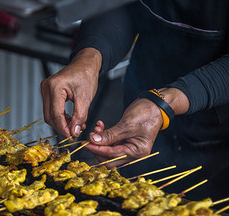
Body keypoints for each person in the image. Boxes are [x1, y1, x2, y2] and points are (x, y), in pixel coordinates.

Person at [41, 0, 229, 200]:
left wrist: (164, 104)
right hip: (139, 112)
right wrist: (88, 59)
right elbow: (119, 7)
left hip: (218, 139)